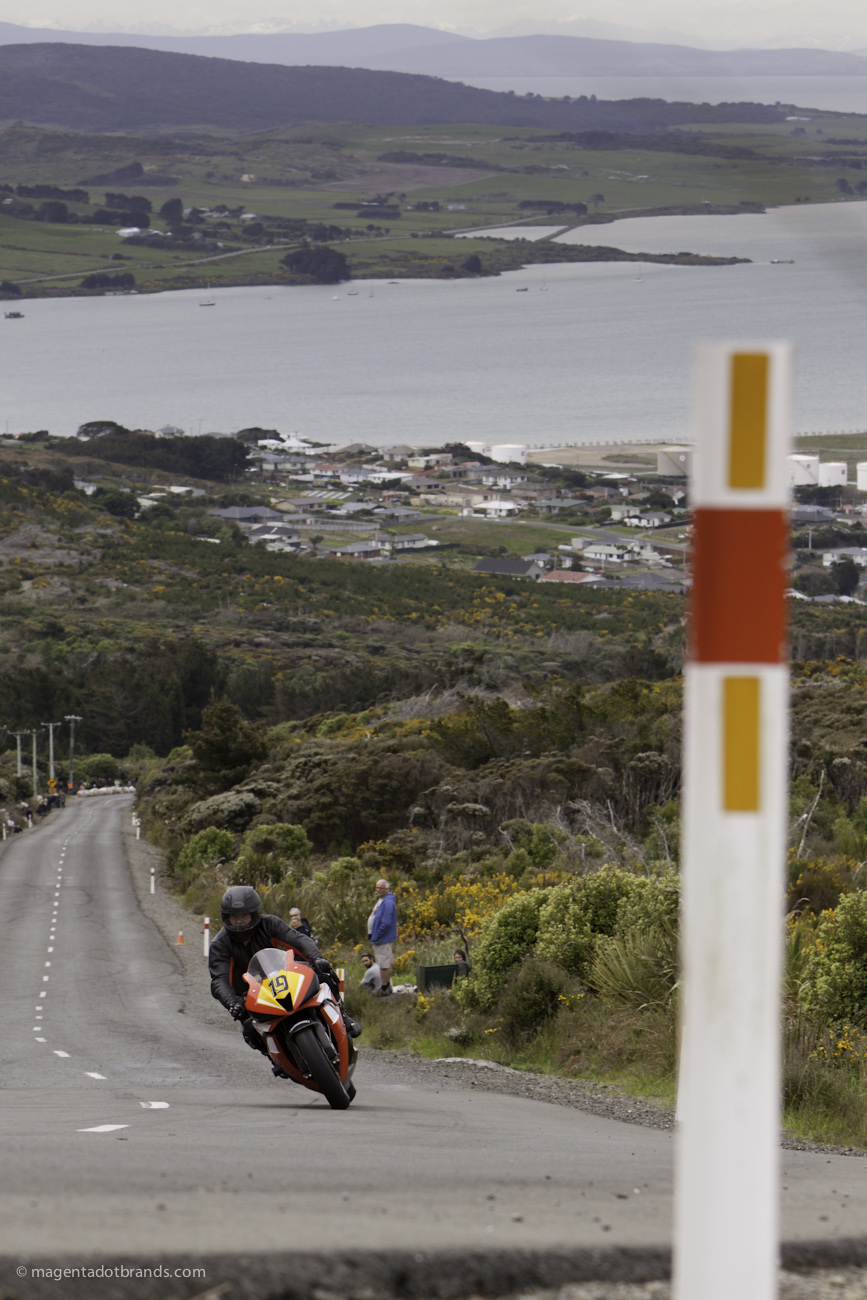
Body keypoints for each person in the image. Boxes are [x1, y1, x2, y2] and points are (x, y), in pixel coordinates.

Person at [209, 885, 360, 1075]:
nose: (239, 922)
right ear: (226, 917)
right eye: (234, 917)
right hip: (250, 994)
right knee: (249, 1029)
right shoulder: (219, 945)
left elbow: (297, 939)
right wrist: (232, 1003)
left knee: (324, 973)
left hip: (283, 977)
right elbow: (219, 980)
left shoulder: (270, 923)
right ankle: (276, 1058)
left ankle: (344, 1017)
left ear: (254, 914)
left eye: (244, 916)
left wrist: (316, 957)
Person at [368, 877, 397, 996]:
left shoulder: (388, 902)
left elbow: (386, 922)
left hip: (382, 939)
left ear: (387, 889)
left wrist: (377, 936)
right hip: (379, 938)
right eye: (377, 888)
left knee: (383, 964)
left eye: (381, 888)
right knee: (384, 962)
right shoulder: (382, 900)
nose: (378, 890)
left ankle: (384, 988)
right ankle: (387, 985)